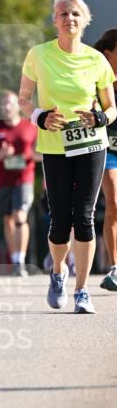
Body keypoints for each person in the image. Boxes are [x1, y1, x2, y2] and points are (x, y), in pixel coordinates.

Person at [18, 0, 116, 313]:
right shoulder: (38, 55)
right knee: (60, 219)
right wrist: (40, 117)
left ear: (84, 20)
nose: (69, 19)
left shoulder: (97, 60)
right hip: (55, 145)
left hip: (91, 142)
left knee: (84, 216)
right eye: (63, 14)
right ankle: (58, 271)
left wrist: (101, 117)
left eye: (75, 14)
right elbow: (24, 100)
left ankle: (82, 290)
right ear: (54, 20)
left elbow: (111, 107)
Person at [0, 90, 39, 276]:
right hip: (3, 181)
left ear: (17, 106)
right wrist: (1, 154)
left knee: (20, 216)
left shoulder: (30, 127)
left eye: (9, 103)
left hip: (24, 179)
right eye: (3, 104)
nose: (5, 107)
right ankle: (14, 259)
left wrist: (30, 155)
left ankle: (20, 261)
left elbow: (43, 154)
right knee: (8, 220)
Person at [94, 29, 117, 291]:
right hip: (106, 147)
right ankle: (115, 267)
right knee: (114, 202)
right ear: (108, 53)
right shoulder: (96, 77)